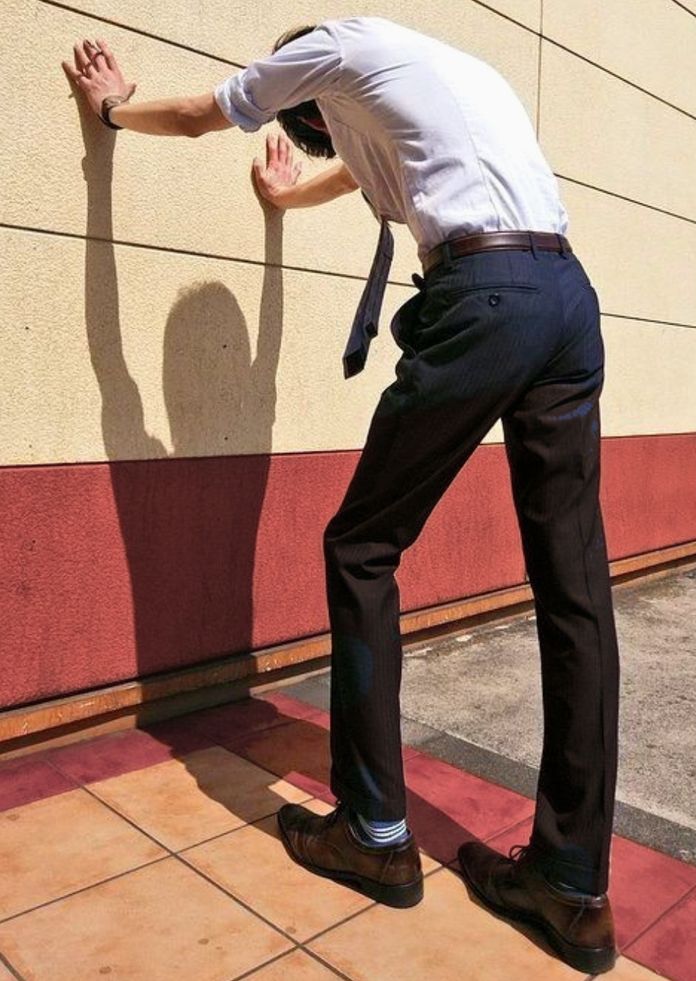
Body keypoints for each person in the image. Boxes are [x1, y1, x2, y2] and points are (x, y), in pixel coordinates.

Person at [63, 15, 620, 974]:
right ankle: (572, 886)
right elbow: (367, 173)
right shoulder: (442, 72)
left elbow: (205, 114)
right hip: (566, 299)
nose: (310, 135)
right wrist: (291, 195)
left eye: (305, 121)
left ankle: (373, 828)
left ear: (305, 68)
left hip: (484, 298)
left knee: (362, 547)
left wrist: (113, 109)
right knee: (575, 592)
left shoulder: (329, 42)